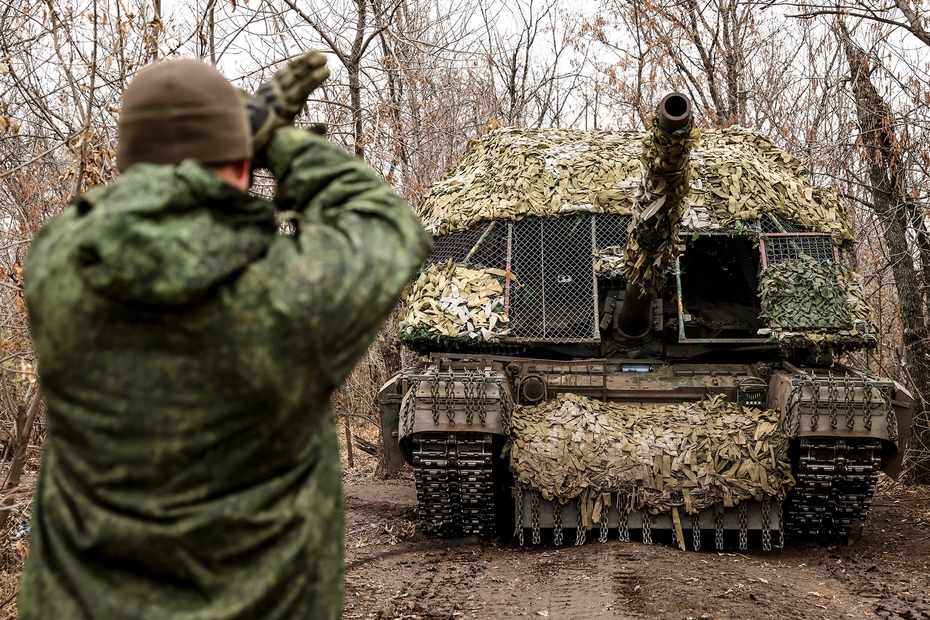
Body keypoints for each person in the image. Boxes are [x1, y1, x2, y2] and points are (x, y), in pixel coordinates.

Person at [18, 52, 431, 619]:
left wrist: (221, 139)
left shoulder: (59, 270)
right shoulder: (288, 293)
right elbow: (389, 225)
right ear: (241, 161)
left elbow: (107, 209)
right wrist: (274, 138)